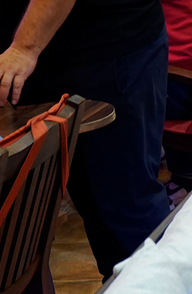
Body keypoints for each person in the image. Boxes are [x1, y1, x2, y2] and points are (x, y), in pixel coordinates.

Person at [0, 0, 172, 279]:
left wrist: (24, 48)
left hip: (106, 52)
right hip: (41, 58)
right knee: (92, 204)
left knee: (127, 206)